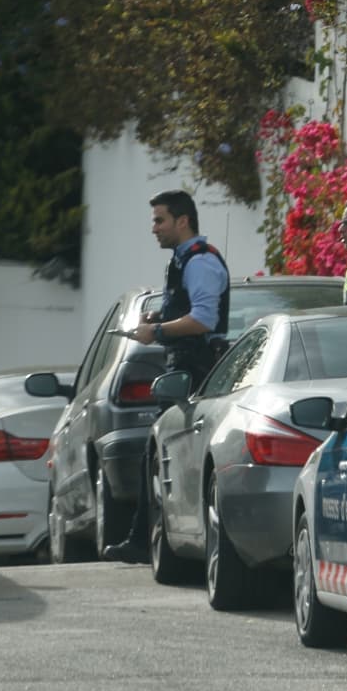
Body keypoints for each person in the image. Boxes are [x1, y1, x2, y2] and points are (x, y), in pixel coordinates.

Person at [102, 189, 230, 564]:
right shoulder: (183, 260)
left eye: (160, 220)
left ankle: (150, 541)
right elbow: (188, 311)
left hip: (196, 369)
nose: (154, 228)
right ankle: (149, 539)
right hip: (184, 365)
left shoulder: (200, 262)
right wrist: (157, 320)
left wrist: (154, 333)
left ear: (182, 221)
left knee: (165, 454)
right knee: (159, 454)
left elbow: (204, 319)